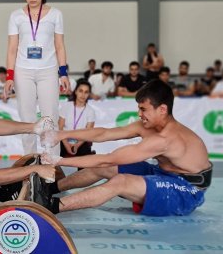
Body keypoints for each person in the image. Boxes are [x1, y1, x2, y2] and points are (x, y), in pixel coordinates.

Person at [40, 80, 212, 216]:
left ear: (162, 109)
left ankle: (49, 206)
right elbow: (104, 134)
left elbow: (107, 159)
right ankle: (49, 189)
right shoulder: (149, 126)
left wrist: (59, 160)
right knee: (108, 168)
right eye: (139, 108)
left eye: (143, 109)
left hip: (187, 191)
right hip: (164, 173)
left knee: (120, 181)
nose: (139, 114)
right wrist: (62, 134)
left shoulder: (166, 139)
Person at [3, 0, 70, 156]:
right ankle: (30, 161)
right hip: (22, 72)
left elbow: (59, 45)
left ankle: (52, 161)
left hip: (48, 72)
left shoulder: (56, 14)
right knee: (27, 120)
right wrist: (9, 77)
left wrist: (63, 73)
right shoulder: (16, 16)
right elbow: (11, 49)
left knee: (51, 118)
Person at [59, 79, 95, 165]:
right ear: (75, 92)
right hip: (64, 140)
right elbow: (60, 128)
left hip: (81, 141)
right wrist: (67, 145)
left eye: (86, 92)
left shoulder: (90, 111)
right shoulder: (66, 106)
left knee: (85, 158)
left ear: (89, 94)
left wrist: (77, 145)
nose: (83, 95)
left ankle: (82, 176)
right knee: (55, 150)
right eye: (81, 91)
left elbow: (88, 133)